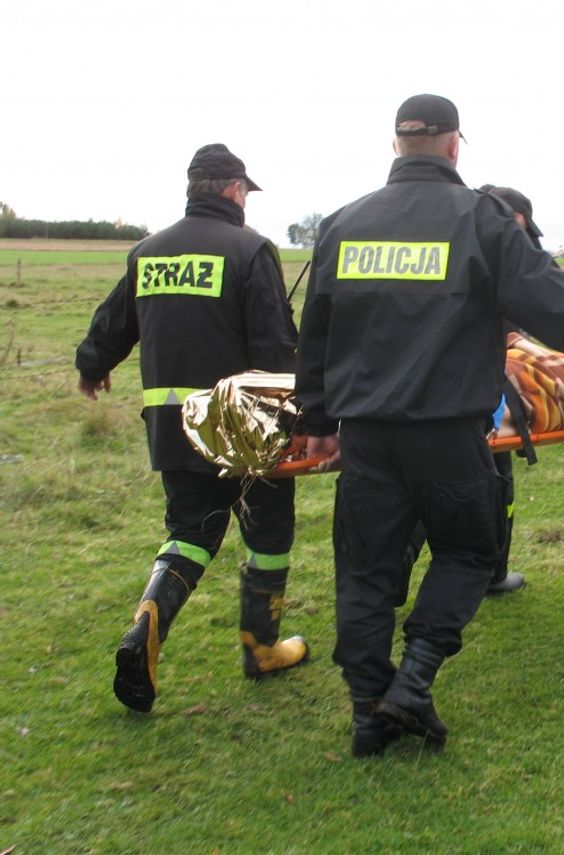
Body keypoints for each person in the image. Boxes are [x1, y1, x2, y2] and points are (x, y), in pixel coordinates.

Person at [294, 94, 564, 757]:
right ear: (454, 145)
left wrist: (318, 418)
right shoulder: (478, 219)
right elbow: (556, 301)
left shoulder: (343, 223)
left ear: (395, 145)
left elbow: (316, 333)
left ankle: (366, 712)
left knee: (365, 570)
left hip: (367, 437)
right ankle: (410, 682)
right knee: (470, 551)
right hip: (447, 432)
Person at [75, 144, 309, 714]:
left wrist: (92, 365)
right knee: (269, 533)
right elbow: (275, 347)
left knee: (190, 533)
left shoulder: (148, 251)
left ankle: (145, 628)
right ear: (233, 190)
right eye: (245, 193)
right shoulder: (251, 250)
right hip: (247, 428)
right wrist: (300, 417)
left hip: (174, 428)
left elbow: (112, 323)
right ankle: (262, 647)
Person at [397, 184, 544, 598]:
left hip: (442, 386)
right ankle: (484, 571)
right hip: (476, 390)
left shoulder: (446, 240)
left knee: (458, 481)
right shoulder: (486, 251)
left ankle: (414, 560)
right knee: (476, 482)